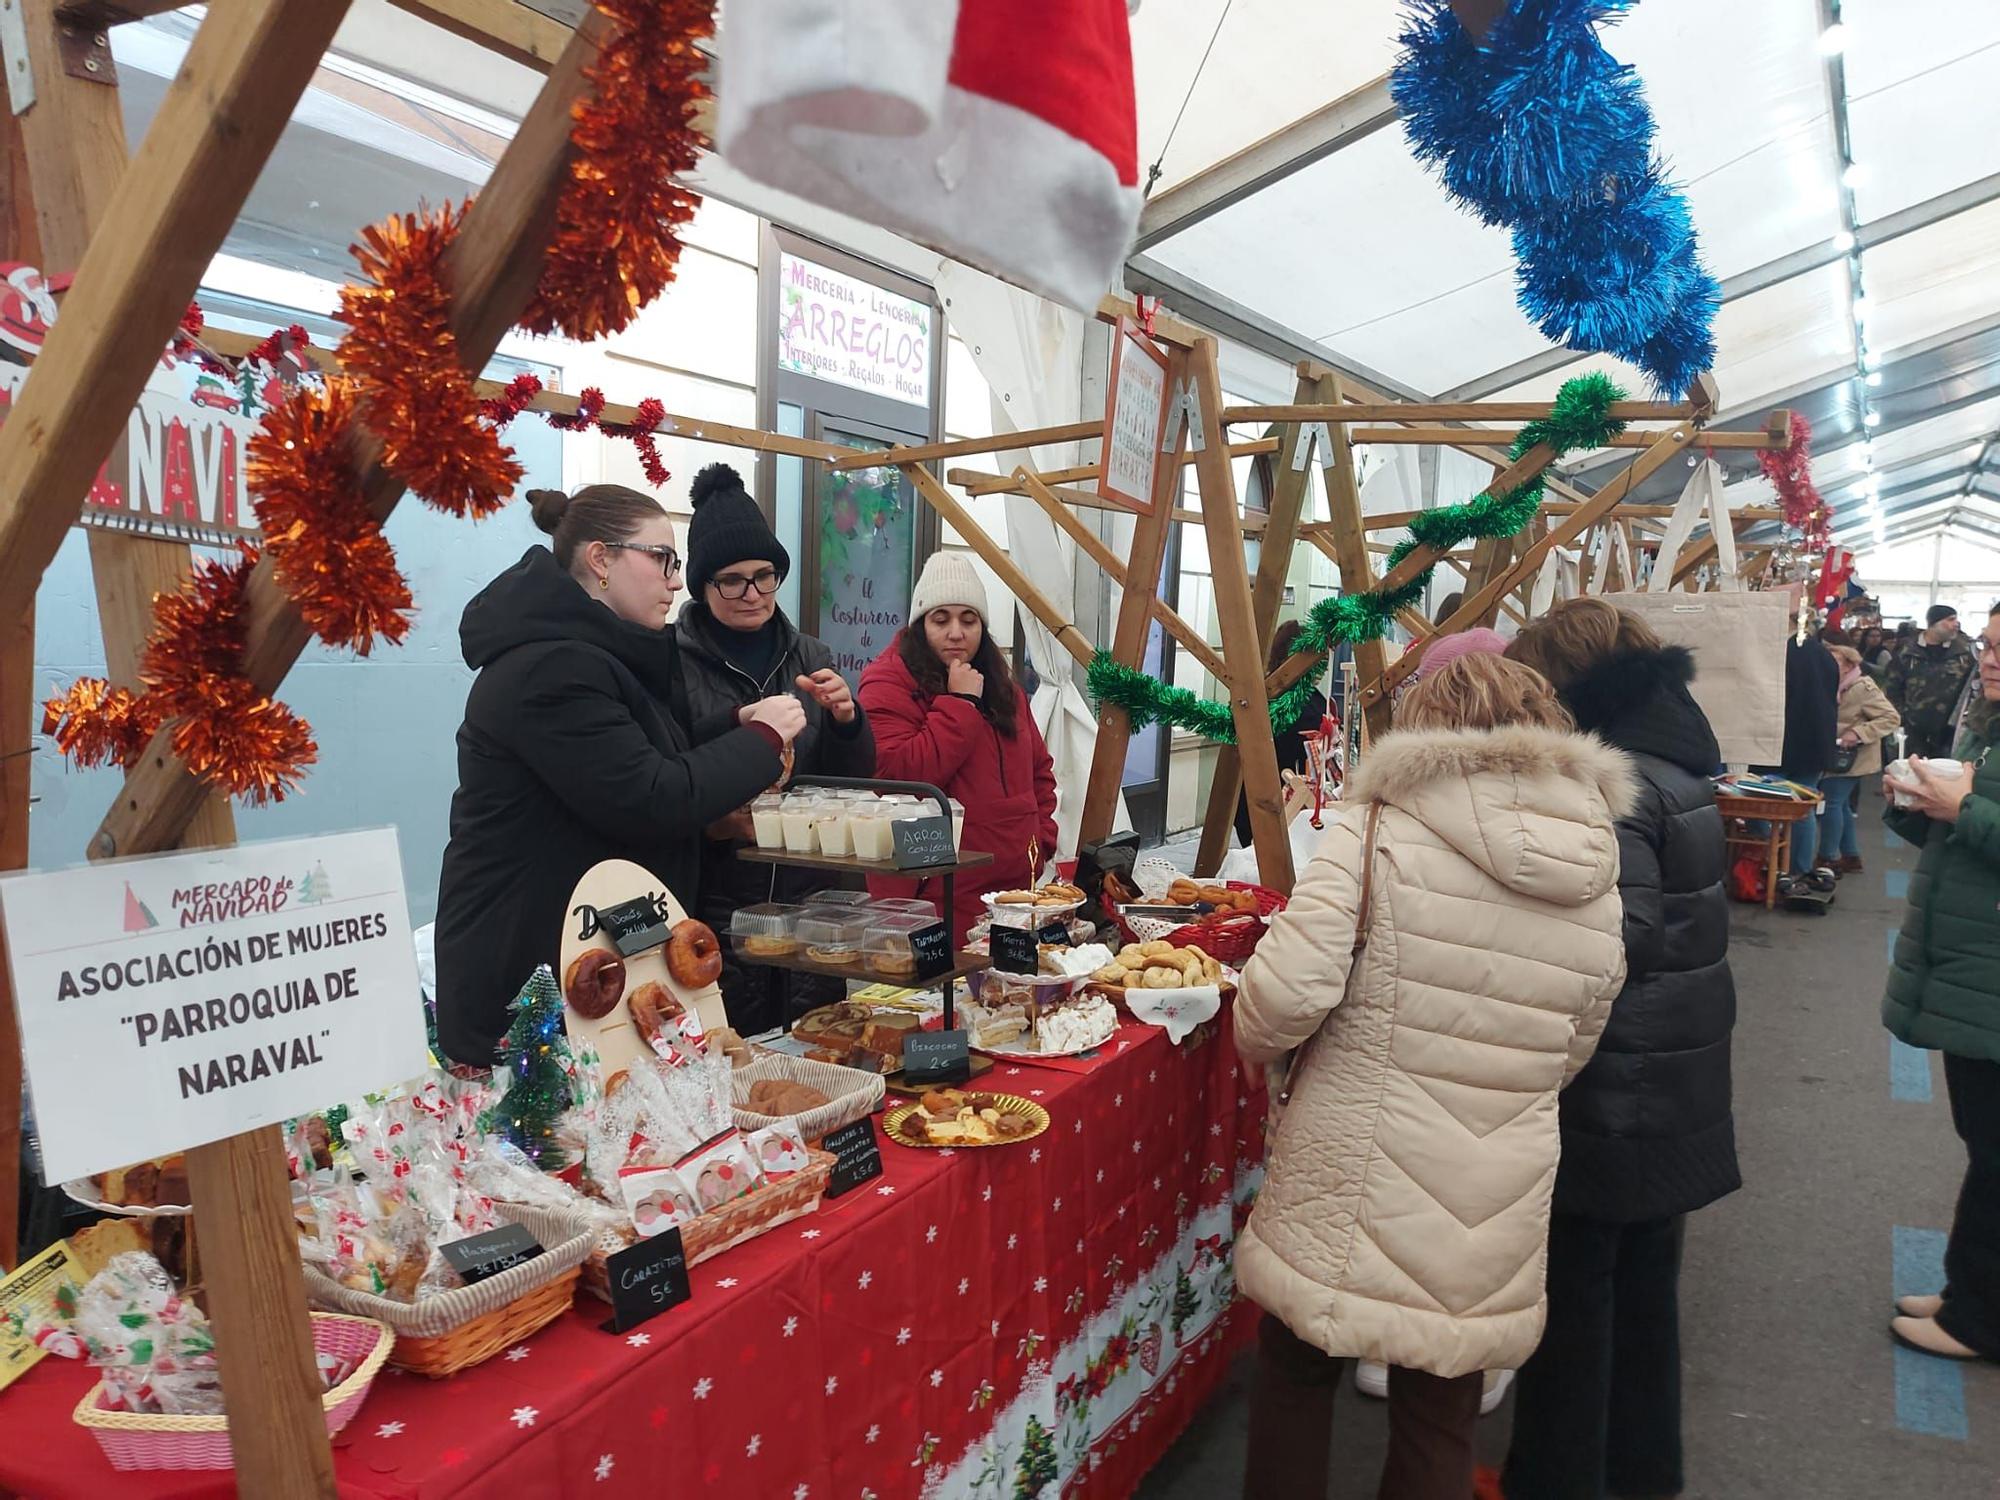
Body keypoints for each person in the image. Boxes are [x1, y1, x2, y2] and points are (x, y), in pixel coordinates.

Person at [1234, 652, 1631, 1500]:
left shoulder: (1375, 827)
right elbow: (1580, 1034)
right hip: (1501, 1171)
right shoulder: (1596, 861)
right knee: (1441, 1404)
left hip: (1352, 1154)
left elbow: (1283, 996)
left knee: (1298, 1367)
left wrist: (1259, 1047)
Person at [432, 484, 805, 1066]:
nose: (676, 581)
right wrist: (762, 740)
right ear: (600, 559)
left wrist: (736, 720)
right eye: (662, 558)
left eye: (675, 563)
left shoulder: (597, 652)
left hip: (592, 954)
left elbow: (644, 752)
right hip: (532, 974)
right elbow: (649, 794)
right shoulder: (552, 666)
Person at [1502, 597, 1740, 1500]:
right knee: (1642, 1298)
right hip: (1672, 1074)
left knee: (1575, 1306)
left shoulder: (1616, 779)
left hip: (1615, 1088)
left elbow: (1620, 936)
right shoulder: (1677, 761)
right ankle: (1642, 1472)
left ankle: (1555, 1481)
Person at [673, 464, 876, 1034]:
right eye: (731, 581)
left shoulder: (809, 653)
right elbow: (665, 775)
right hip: (717, 906)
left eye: (765, 576)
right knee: (729, 1064)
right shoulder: (672, 661)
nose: (753, 594)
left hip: (812, 906)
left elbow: (851, 781)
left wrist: (845, 720)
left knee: (816, 1059)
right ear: (702, 586)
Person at [1884, 602, 2000, 1361]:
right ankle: (1967, 1293)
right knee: (1986, 1144)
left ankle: (1980, 1319)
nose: (1990, 660)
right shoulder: (1988, 729)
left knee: (1996, 1151)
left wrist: (1967, 809)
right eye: (1989, 646)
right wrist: (1919, 806)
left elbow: (1981, 820)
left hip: (1988, 976)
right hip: (1975, 968)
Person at [857, 553, 1057, 944]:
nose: (956, 632)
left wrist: (1041, 839)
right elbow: (897, 776)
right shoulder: (886, 681)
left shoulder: (1003, 685)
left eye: (968, 619)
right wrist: (960, 704)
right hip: (934, 893)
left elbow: (1040, 772)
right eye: (940, 619)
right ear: (920, 624)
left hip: (1013, 894)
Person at [1235, 620, 1328, 848]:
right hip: (1282, 807)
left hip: (1254, 805)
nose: (1324, 667)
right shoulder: (1302, 702)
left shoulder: (1265, 693)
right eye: (1319, 659)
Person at [1821, 643, 1900, 875]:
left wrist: (1858, 733)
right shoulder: (1838, 686)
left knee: (1832, 803)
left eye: (1835, 661)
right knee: (1841, 804)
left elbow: (1891, 718)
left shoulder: (1862, 688)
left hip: (1852, 757)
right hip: (1841, 756)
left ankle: (1827, 857)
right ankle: (1850, 855)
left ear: (1849, 665)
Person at [1887, 604, 1977, 760]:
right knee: (1911, 772)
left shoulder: (1964, 652)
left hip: (1949, 730)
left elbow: (1971, 688)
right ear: (1934, 623)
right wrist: (1902, 717)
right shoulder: (1907, 650)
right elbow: (1892, 688)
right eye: (1950, 619)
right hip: (1912, 729)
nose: (1956, 624)